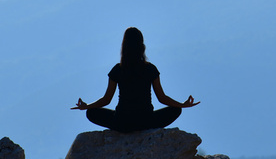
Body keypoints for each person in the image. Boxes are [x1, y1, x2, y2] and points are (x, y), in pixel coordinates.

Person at [71, 27, 199, 132]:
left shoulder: (118, 69)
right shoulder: (150, 69)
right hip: (146, 122)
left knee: (91, 113)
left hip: (121, 123)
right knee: (176, 110)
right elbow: (162, 98)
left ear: (124, 46)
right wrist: (182, 105)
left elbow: (106, 99)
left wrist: (87, 106)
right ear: (142, 46)